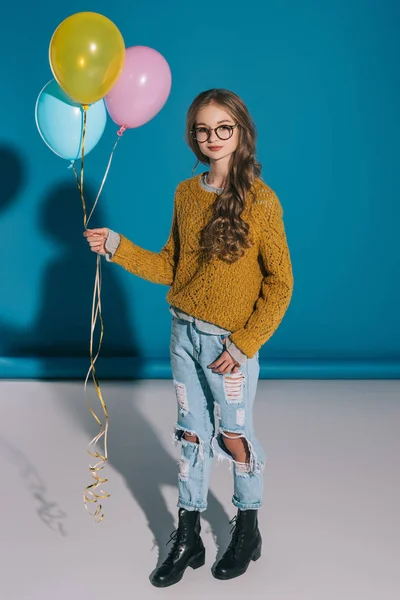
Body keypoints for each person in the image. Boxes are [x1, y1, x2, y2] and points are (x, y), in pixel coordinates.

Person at [83, 88, 294, 587]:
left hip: (230, 347)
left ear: (240, 132)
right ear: (193, 137)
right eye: (203, 129)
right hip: (183, 336)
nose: (213, 137)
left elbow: (280, 282)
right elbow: (170, 267)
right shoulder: (185, 193)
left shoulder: (261, 201)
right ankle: (188, 534)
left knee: (234, 435)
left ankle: (248, 525)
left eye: (224, 127)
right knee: (193, 437)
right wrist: (116, 246)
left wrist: (244, 344)